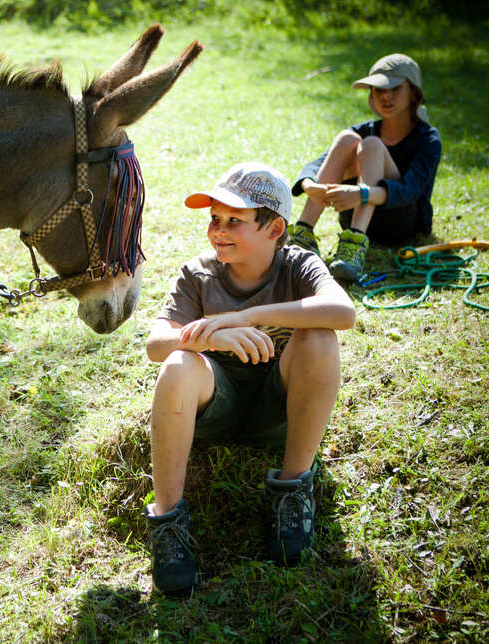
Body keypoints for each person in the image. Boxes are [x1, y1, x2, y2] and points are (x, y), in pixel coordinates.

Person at [143, 162, 355, 596]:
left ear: (275, 229)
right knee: (178, 364)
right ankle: (167, 522)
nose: (218, 230)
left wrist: (250, 315)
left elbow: (343, 312)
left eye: (234, 221)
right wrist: (216, 335)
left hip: (279, 411)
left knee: (319, 338)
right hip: (214, 409)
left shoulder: (298, 265)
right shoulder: (198, 273)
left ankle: (292, 491)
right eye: (214, 219)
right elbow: (155, 344)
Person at [287, 53, 442, 282]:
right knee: (346, 139)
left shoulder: (427, 140)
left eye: (395, 88)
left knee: (371, 145)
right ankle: (303, 234)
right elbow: (318, 163)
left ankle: (354, 246)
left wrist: (361, 194)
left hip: (402, 226)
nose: (385, 96)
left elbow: (411, 191)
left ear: (414, 93)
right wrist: (310, 186)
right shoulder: (362, 129)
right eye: (378, 89)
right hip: (352, 217)